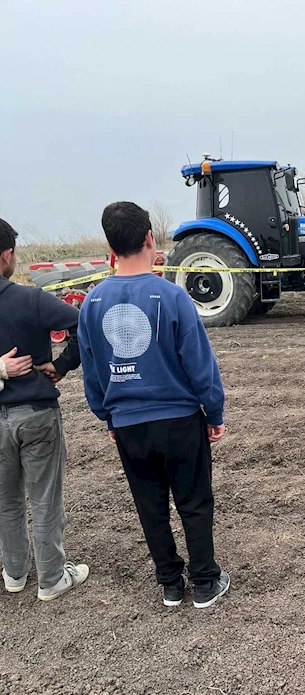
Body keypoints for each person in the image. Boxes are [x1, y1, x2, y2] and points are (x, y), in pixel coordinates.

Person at [77, 202, 229, 609]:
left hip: (128, 424)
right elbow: (201, 365)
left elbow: (91, 372)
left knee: (150, 504)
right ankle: (204, 583)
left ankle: (170, 583)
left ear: (109, 245)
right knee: (194, 500)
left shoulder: (91, 304)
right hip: (180, 420)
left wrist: (107, 415)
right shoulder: (172, 296)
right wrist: (214, 413)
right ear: (149, 238)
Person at [0, 218, 89, 600]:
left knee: (6, 501)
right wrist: (63, 363)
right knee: (45, 498)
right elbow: (84, 323)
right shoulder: (29, 298)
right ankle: (52, 578)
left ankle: (15, 574)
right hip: (36, 412)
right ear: (7, 256)